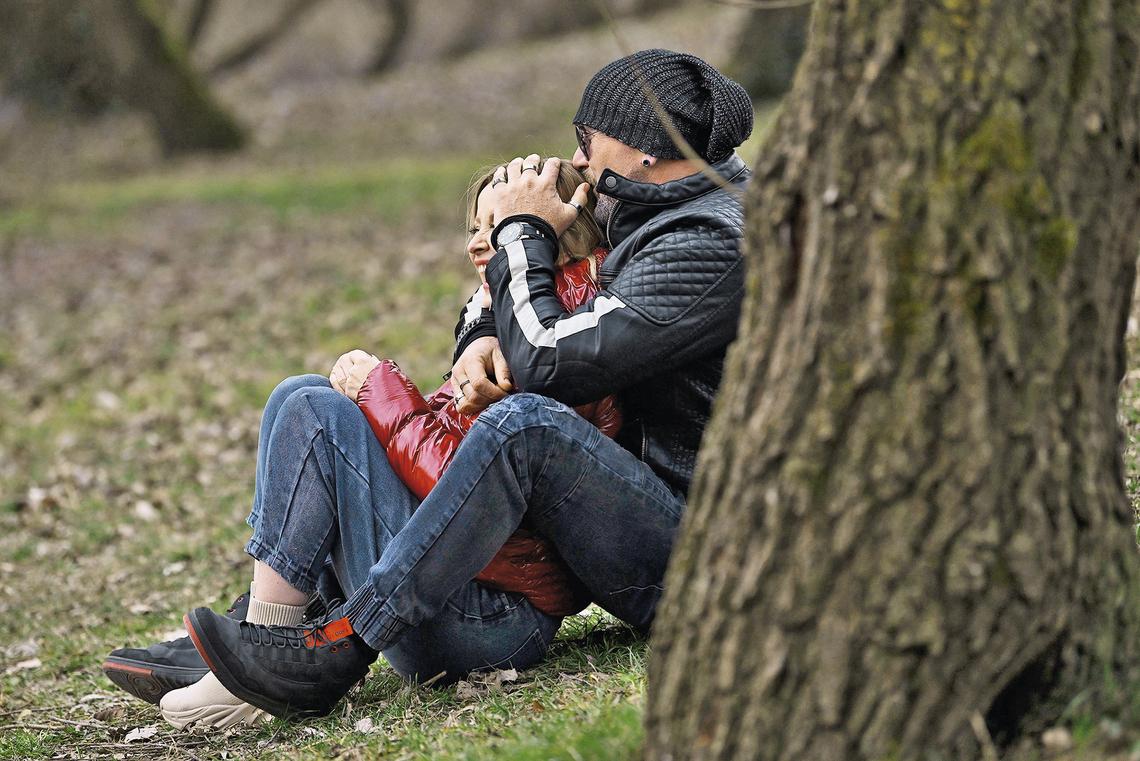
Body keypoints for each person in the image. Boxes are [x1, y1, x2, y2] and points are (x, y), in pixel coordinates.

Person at [124, 48, 754, 723]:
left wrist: (521, 233)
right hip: (627, 515)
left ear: (644, 151)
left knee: (524, 424)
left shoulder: (707, 242)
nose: (577, 158)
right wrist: (484, 324)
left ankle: (340, 641)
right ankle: (268, 634)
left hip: (692, 552)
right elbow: (552, 286)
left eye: (586, 139)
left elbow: (551, 357)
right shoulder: (653, 202)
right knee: (307, 397)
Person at [103, 163, 617, 728]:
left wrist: (379, 390)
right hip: (453, 596)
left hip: (487, 622)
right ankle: (264, 634)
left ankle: (267, 657)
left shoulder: (556, 331)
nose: (475, 242)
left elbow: (466, 480)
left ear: (545, 230)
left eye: (495, 225)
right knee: (302, 395)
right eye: (473, 225)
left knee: (314, 410)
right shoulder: (515, 315)